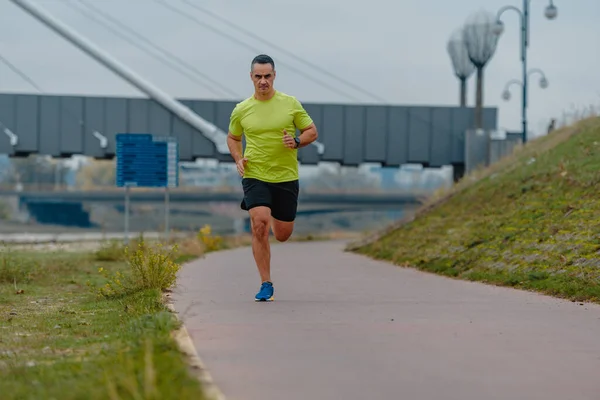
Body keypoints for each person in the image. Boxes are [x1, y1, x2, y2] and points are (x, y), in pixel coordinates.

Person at [227, 54, 319, 302]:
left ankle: (281, 225)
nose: (263, 81)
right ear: (251, 77)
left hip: (286, 176)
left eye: (267, 76)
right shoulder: (242, 109)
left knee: (282, 234)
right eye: (258, 76)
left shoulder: (290, 104)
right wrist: (238, 159)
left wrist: (297, 141)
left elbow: (311, 131)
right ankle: (265, 283)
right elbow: (233, 138)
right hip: (255, 173)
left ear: (274, 76)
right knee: (259, 224)